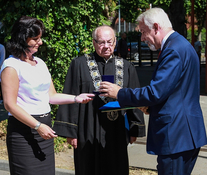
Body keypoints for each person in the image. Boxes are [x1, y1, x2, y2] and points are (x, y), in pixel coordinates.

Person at [99, 8, 207, 175]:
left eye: (143, 32)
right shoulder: (181, 44)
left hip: (176, 136)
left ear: (156, 27)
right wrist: (150, 107)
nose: (142, 38)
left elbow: (155, 92)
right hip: (185, 134)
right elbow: (176, 92)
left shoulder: (172, 50)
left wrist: (119, 93)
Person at [0, 16, 94, 175]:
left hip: (44, 127)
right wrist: (37, 126)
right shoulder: (11, 66)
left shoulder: (40, 63)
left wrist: (76, 98)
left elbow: (51, 96)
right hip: (24, 130)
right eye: (35, 39)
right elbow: (10, 105)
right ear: (22, 38)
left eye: (40, 38)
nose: (40, 42)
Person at [53, 25, 145, 175]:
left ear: (115, 41)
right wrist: (70, 131)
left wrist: (135, 127)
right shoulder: (79, 64)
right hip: (87, 128)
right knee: (88, 167)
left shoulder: (127, 67)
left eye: (109, 42)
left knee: (116, 167)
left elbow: (134, 98)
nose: (106, 46)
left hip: (117, 130)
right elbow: (71, 95)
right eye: (101, 42)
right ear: (94, 43)